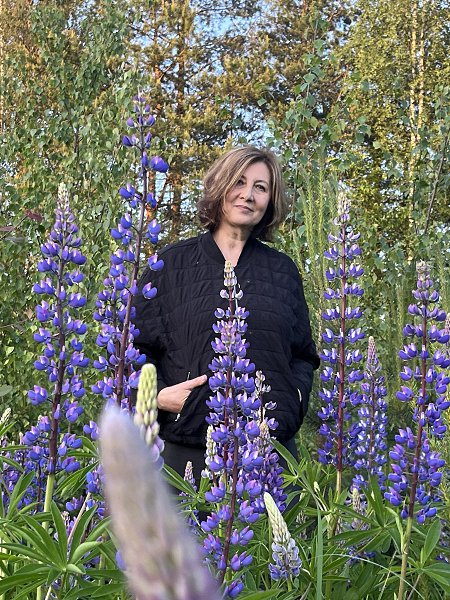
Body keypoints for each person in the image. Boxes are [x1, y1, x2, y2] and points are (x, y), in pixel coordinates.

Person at [133, 146, 320, 482]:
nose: (248, 195)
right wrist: (159, 395)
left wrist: (291, 401)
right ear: (219, 187)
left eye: (260, 187)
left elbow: (303, 356)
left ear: (270, 200)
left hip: (268, 450)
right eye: (239, 182)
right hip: (188, 447)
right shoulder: (170, 264)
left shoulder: (282, 271)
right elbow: (134, 348)